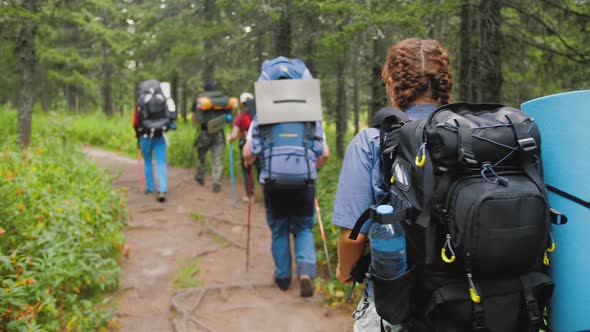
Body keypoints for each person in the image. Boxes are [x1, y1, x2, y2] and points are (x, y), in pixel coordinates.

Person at [332, 38, 453, 331]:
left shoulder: (372, 142)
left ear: (392, 83)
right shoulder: (471, 135)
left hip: (397, 305)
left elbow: (354, 238)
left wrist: (344, 271)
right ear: (444, 84)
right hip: (470, 302)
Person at [242, 57, 330, 297]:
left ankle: (282, 278)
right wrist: (312, 169)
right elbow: (324, 153)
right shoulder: (311, 118)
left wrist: (250, 162)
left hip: (273, 183)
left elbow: (249, 153)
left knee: (279, 229)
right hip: (304, 183)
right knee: (302, 228)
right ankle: (305, 272)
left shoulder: (262, 117)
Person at [133, 80, 177, 203]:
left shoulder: (141, 100)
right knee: (161, 162)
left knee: (147, 161)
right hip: (160, 135)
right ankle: (162, 189)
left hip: (145, 136)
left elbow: (136, 121)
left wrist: (137, 134)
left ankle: (150, 187)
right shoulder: (162, 98)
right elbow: (171, 117)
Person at [192, 82, 237, 193]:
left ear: (204, 89)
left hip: (205, 132)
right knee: (217, 159)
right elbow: (229, 116)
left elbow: (196, 118)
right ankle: (217, 183)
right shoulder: (223, 99)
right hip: (219, 133)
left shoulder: (200, 100)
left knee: (201, 155)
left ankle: (200, 176)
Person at [227, 92, 257, 202]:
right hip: (260, 144)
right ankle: (267, 194)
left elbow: (234, 135)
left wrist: (230, 138)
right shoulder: (259, 115)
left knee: (247, 170)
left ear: (242, 103)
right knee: (261, 168)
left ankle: (250, 196)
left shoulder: (240, 117)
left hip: (246, 145)